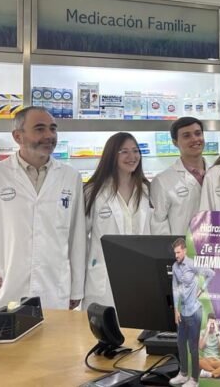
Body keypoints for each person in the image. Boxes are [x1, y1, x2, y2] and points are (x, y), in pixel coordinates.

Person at [0, 106, 85, 311]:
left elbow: (77, 236)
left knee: (54, 332)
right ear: (18, 136)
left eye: (53, 128)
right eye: (40, 129)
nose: (49, 135)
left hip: (54, 288)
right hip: (5, 288)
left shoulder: (70, 176)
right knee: (7, 330)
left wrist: (77, 288)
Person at [83, 132, 153, 308]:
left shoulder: (146, 189)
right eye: (124, 151)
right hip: (104, 277)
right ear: (111, 155)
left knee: (137, 322)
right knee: (105, 323)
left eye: (135, 151)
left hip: (140, 274)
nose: (132, 156)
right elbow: (81, 237)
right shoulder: (93, 192)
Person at [151, 117, 208, 235]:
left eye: (198, 133)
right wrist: (172, 247)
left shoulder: (217, 173)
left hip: (216, 244)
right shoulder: (162, 181)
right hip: (181, 245)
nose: (194, 139)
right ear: (175, 142)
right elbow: (158, 224)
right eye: (186, 136)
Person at [170, 238, 215, 387]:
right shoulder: (175, 267)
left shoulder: (192, 264)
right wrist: (176, 309)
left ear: (184, 250)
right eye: (175, 253)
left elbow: (211, 273)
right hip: (182, 312)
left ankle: (194, 380)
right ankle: (183, 374)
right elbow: (175, 288)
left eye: (178, 252)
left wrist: (202, 289)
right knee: (180, 343)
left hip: (194, 312)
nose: (176, 255)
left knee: (193, 347)